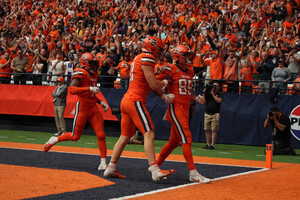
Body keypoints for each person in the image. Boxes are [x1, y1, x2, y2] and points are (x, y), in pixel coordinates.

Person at [104, 36, 175, 182]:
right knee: (149, 133)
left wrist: (162, 96)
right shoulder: (147, 58)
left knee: (125, 136)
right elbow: (154, 84)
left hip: (127, 99)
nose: (160, 52)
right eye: (159, 49)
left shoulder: (139, 57)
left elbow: (147, 85)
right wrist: (166, 81)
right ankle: (154, 170)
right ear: (153, 47)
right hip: (135, 100)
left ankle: (110, 168)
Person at [44, 53, 109, 171]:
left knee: (101, 135)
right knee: (75, 136)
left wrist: (100, 102)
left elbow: (91, 94)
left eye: (95, 63)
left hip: (93, 106)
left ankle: (103, 163)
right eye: (92, 63)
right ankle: (55, 139)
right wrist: (88, 88)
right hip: (83, 106)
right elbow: (72, 90)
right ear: (84, 62)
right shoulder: (80, 72)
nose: (94, 66)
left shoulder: (94, 74)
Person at [155, 45, 210, 183]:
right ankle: (193, 173)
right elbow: (154, 83)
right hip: (176, 107)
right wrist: (164, 94)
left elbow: (187, 92)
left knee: (174, 141)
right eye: (185, 55)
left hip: (185, 108)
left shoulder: (190, 71)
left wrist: (197, 98)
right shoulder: (170, 68)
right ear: (178, 56)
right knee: (186, 136)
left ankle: (155, 167)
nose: (189, 58)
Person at [199, 82, 223, 150]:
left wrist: (212, 94)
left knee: (214, 130)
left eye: (217, 86)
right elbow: (203, 103)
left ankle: (212, 145)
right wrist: (204, 94)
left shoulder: (220, 94)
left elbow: (219, 101)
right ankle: (208, 144)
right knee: (207, 130)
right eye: (214, 86)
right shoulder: (208, 94)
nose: (215, 87)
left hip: (215, 114)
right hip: (207, 114)